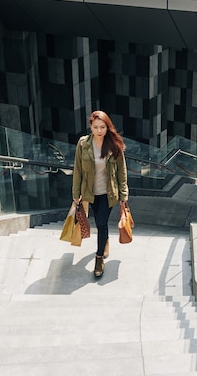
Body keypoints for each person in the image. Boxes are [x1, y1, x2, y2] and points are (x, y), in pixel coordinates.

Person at [72, 111, 129, 277]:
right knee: (98, 222)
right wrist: (76, 193)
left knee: (102, 223)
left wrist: (123, 195)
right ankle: (105, 242)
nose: (99, 130)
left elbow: (122, 171)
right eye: (95, 127)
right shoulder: (83, 144)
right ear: (90, 126)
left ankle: (99, 258)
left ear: (107, 127)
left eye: (102, 127)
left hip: (108, 193)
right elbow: (77, 169)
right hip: (90, 193)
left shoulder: (114, 145)